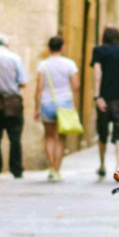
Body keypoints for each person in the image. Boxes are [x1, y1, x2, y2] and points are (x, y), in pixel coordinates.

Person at [32, 35, 80, 181]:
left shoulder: (43, 65)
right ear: (62, 47)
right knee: (61, 137)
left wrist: (36, 108)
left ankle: (51, 168)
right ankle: (58, 169)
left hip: (47, 103)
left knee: (49, 136)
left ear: (49, 48)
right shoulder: (70, 64)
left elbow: (39, 88)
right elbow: (76, 86)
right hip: (64, 103)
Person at [90, 26, 119, 181]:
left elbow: (98, 73)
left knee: (102, 132)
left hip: (105, 98)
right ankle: (118, 166)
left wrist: (97, 96)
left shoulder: (99, 51)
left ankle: (102, 165)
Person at [0, 34, 29, 179]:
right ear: (7, 44)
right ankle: (16, 169)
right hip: (12, 100)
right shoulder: (15, 58)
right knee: (15, 136)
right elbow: (23, 81)